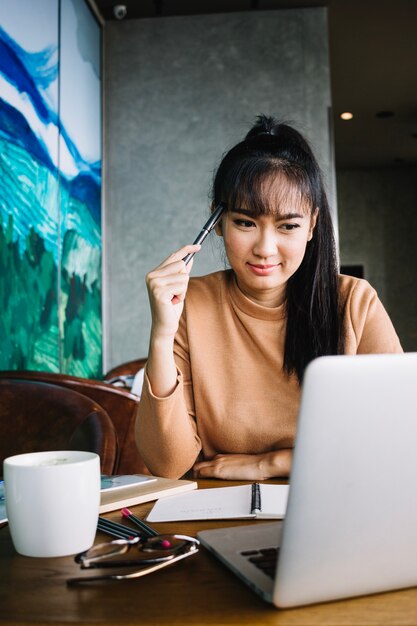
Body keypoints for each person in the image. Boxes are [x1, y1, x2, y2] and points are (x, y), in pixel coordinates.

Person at [135, 114, 402, 481]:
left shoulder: (354, 302)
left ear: (311, 225)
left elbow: (398, 439)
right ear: (218, 220)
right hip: (219, 512)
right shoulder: (190, 304)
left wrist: (272, 463)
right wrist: (162, 335)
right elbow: (167, 464)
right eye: (245, 222)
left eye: (288, 226)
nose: (264, 248)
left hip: (337, 503)